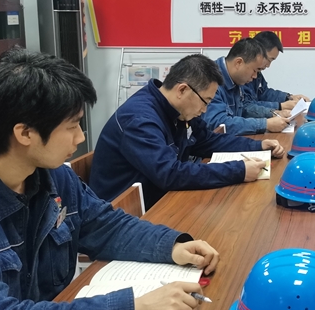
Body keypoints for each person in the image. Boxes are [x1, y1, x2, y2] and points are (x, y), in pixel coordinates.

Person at [0, 48, 221, 310]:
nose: (80, 138)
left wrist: (172, 247)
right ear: (25, 133)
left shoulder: (52, 176)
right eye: (72, 126)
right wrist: (132, 309)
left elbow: (103, 224)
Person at [90, 53, 284, 210]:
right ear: (182, 90)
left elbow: (207, 140)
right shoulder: (140, 120)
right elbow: (169, 174)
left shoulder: (178, 111)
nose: (205, 110)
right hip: (127, 215)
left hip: (161, 199)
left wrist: (258, 146)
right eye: (205, 101)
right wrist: (239, 170)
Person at [202, 38, 291, 135]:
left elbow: (245, 109)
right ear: (238, 63)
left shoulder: (236, 80)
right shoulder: (210, 80)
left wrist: (273, 113)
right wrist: (265, 124)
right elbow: (219, 124)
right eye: (254, 71)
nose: (255, 76)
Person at [241, 31, 310, 121]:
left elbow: (264, 93)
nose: (268, 65)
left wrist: (288, 97)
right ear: (258, 52)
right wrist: (280, 106)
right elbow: (246, 107)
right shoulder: (241, 76)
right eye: (269, 60)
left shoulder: (257, 74)